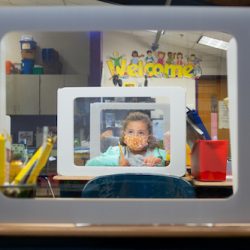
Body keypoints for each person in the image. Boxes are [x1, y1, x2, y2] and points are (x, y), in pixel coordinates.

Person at [86, 112, 166, 167]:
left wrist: (159, 162)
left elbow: (171, 163)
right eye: (130, 132)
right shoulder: (114, 151)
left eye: (141, 133)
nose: (135, 136)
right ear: (124, 135)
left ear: (148, 137)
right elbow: (90, 164)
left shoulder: (158, 153)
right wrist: (117, 161)